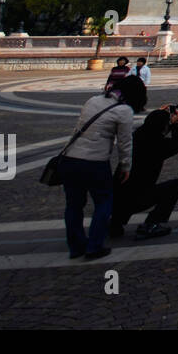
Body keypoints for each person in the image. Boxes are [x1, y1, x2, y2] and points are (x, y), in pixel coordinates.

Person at [60, 82, 134, 260]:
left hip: (70, 158)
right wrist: (125, 166)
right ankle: (94, 246)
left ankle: (76, 247)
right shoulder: (124, 111)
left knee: (73, 205)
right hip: (95, 162)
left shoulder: (92, 100)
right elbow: (125, 143)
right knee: (104, 203)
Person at [111, 98, 178, 240]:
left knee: (127, 189)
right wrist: (174, 125)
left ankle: (115, 224)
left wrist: (158, 114)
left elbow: (152, 125)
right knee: (177, 185)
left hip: (117, 197)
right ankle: (152, 224)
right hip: (139, 197)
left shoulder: (137, 136)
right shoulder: (158, 144)